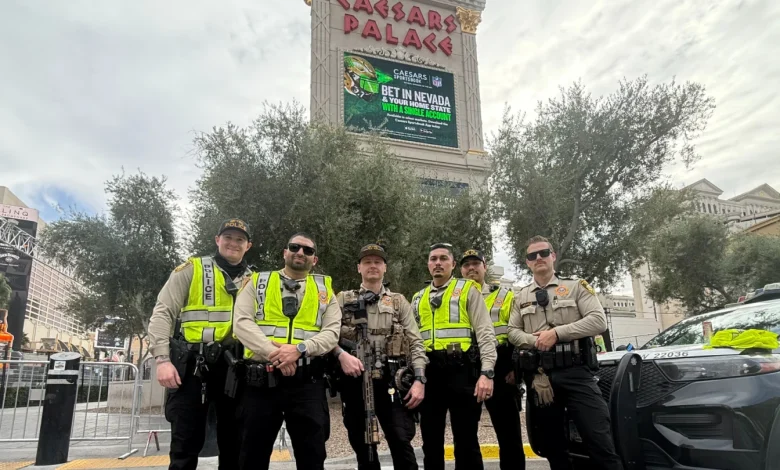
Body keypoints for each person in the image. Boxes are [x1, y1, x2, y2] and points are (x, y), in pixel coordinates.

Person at [508, 235, 623, 470]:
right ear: (527, 262)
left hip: (576, 372)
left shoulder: (575, 287)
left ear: (553, 256)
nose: (538, 258)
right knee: (553, 446)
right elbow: (512, 331)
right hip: (542, 378)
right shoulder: (520, 297)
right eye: (532, 256)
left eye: (543, 253)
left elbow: (598, 321)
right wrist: (534, 340)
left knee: (599, 438)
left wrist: (558, 333)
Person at [148, 218, 254, 470]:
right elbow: (163, 312)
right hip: (195, 367)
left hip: (236, 370)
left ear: (248, 245)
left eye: (240, 239)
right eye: (227, 237)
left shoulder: (256, 280)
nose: (233, 243)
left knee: (235, 445)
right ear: (217, 240)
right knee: (185, 445)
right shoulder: (191, 269)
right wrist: (162, 360)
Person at [232, 232, 341, 470]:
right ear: (285, 252)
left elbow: (332, 333)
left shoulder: (325, 289)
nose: (300, 252)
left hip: (307, 384)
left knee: (312, 457)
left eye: (308, 250)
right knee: (251, 456)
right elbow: (241, 323)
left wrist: (300, 349)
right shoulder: (257, 282)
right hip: (262, 382)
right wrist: (277, 353)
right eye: (295, 247)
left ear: (315, 259)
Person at [333, 243, 427, 470]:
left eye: (377, 262)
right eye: (367, 262)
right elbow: (328, 337)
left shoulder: (397, 301)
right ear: (358, 267)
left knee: (400, 441)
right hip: (355, 381)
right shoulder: (343, 299)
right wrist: (341, 355)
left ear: (385, 267)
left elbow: (416, 342)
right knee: (362, 444)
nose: (372, 266)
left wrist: (419, 380)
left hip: (391, 380)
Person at [411, 243, 498, 470]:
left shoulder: (468, 290)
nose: (437, 263)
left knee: (466, 442)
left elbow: (486, 333)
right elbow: (414, 342)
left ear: (452, 264)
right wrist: (417, 377)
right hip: (431, 374)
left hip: (462, 371)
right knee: (430, 443)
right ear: (428, 264)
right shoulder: (418, 298)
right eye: (433, 259)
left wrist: (487, 372)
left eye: (443, 258)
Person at [460, 249, 525, 470]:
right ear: (461, 270)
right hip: (467, 368)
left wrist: (516, 368)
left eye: (475, 264)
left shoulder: (504, 296)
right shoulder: (455, 297)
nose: (471, 268)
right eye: (466, 265)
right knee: (466, 435)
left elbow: (518, 332)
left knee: (509, 435)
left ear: (484, 267)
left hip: (501, 368)